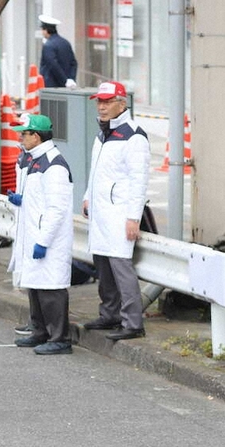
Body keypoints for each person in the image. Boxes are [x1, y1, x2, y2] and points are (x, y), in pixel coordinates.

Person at [82, 80, 150, 340]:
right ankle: (109, 314)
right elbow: (96, 171)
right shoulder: (103, 134)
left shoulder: (134, 136)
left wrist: (134, 217)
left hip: (120, 214)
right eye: (99, 101)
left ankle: (133, 323)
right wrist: (88, 196)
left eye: (108, 101)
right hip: (101, 212)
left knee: (121, 267)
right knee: (102, 265)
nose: (102, 106)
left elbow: (139, 180)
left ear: (122, 104)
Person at [6, 114, 74, 355]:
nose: (20, 138)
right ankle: (41, 331)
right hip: (34, 232)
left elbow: (57, 209)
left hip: (48, 238)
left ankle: (60, 338)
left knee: (51, 289)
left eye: (24, 134)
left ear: (36, 136)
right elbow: (40, 198)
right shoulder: (35, 159)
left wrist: (43, 241)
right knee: (35, 285)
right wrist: (22, 200)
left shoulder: (53, 164)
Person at [38, 14, 77, 89]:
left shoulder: (48, 45)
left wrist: (65, 81)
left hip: (51, 86)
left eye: (42, 29)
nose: (42, 32)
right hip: (66, 87)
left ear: (46, 30)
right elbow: (73, 63)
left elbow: (53, 65)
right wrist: (71, 79)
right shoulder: (65, 43)